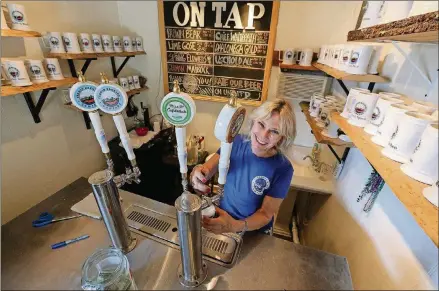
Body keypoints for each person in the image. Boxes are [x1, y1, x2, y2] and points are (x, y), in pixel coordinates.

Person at [190, 98, 297, 235]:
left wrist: (234, 226)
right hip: (223, 220)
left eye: (274, 131)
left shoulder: (283, 168)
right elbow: (208, 168)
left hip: (254, 233)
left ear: (282, 138)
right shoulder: (236, 141)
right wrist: (198, 175)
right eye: (261, 124)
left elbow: (265, 214)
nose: (264, 136)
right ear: (253, 122)